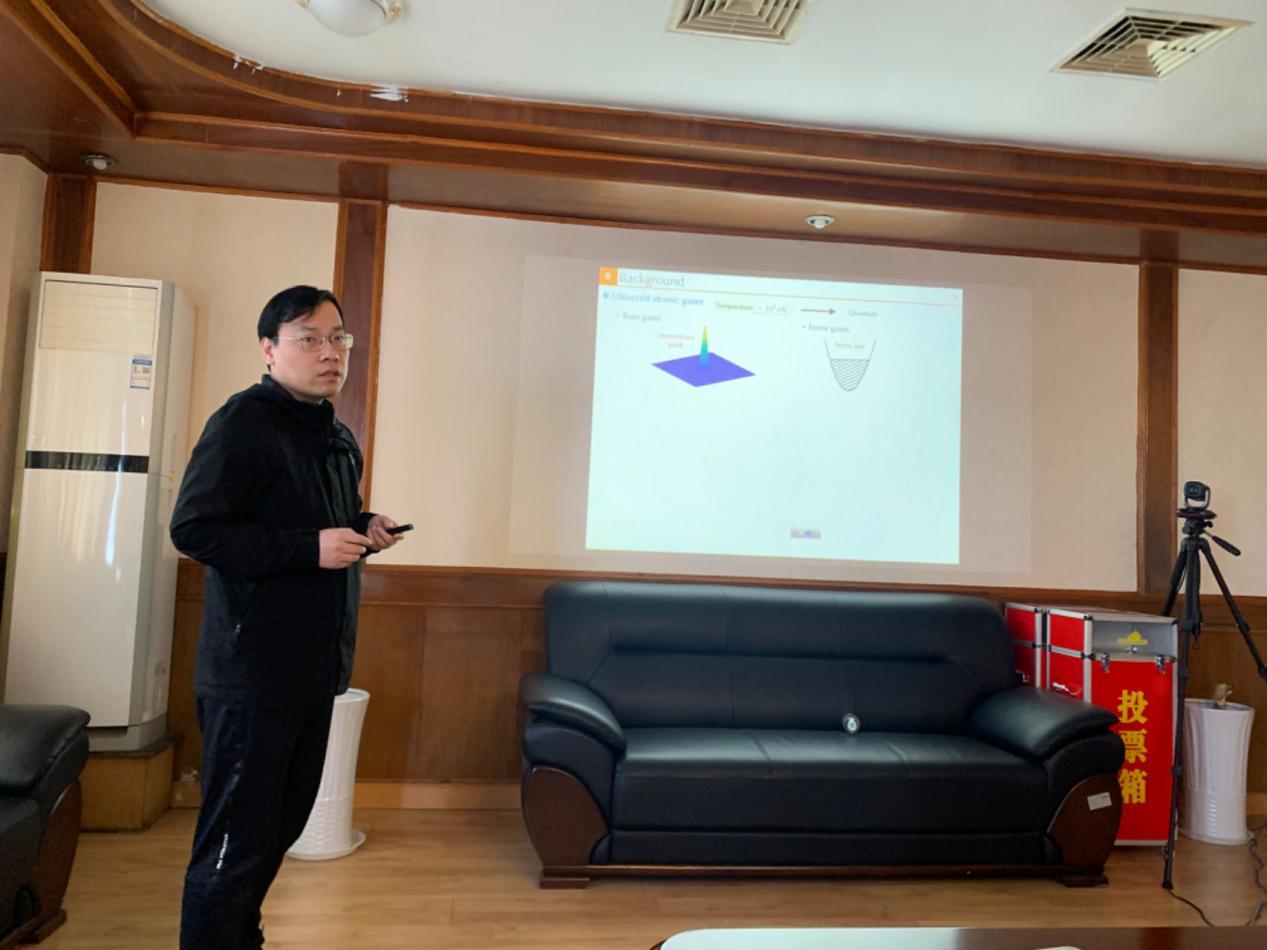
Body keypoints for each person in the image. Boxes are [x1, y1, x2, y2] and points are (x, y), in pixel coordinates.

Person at [170, 285, 404, 949]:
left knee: (275, 832)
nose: (330, 353)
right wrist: (309, 548)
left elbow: (315, 523)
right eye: (308, 339)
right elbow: (195, 529)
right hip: (252, 675)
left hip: (313, 671)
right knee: (233, 845)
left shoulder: (335, 434)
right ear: (269, 349)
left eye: (338, 338)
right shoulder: (242, 424)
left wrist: (363, 525)